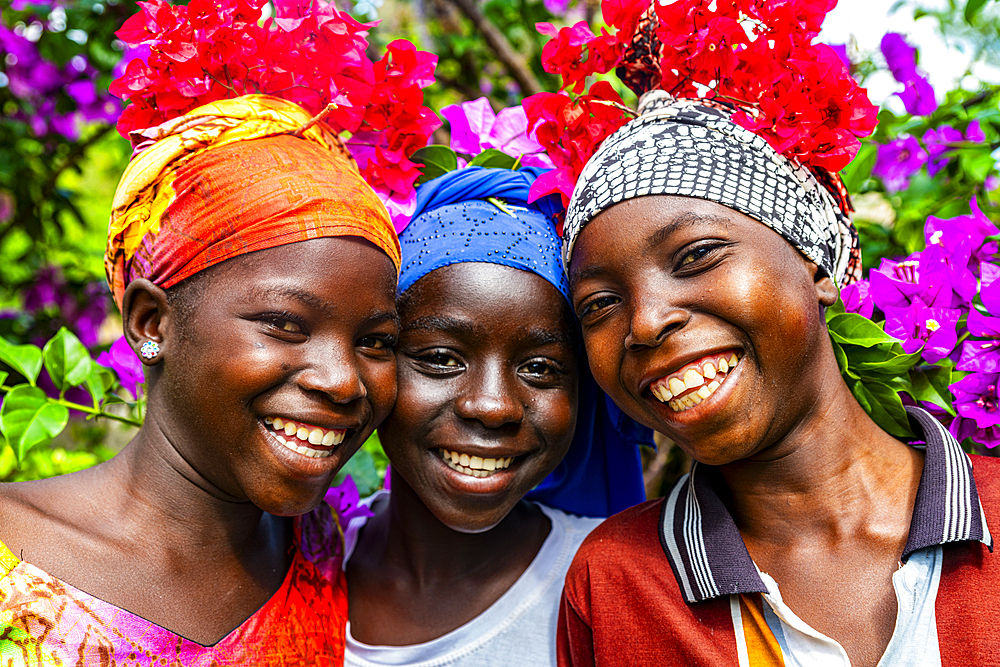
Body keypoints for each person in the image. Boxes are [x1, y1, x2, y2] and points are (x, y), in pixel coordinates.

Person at [545, 3, 1000, 666]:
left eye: (696, 255)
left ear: (813, 262)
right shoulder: (616, 588)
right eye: (600, 304)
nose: (645, 322)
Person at [0, 92, 402, 664]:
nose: (343, 382)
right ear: (151, 322)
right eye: (286, 324)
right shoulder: (11, 559)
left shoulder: (323, 553)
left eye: (376, 342)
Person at [343, 165, 652, 667]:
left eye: (539, 368)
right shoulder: (299, 556)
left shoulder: (613, 596)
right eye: (441, 359)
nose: (493, 407)